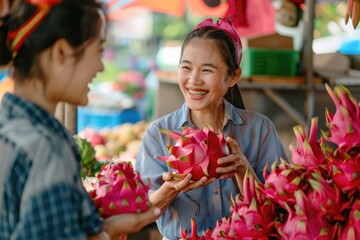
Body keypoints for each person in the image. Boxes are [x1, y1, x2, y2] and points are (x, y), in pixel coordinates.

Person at [0, 0, 160, 239]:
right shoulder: (48, 149)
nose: (100, 66)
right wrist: (109, 232)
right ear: (61, 52)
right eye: (98, 50)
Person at [135, 18, 288, 240]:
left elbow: (280, 210)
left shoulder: (260, 130)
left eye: (207, 70)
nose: (193, 80)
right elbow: (140, 214)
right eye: (186, 68)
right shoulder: (158, 134)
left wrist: (243, 169)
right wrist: (171, 188)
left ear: (233, 77)